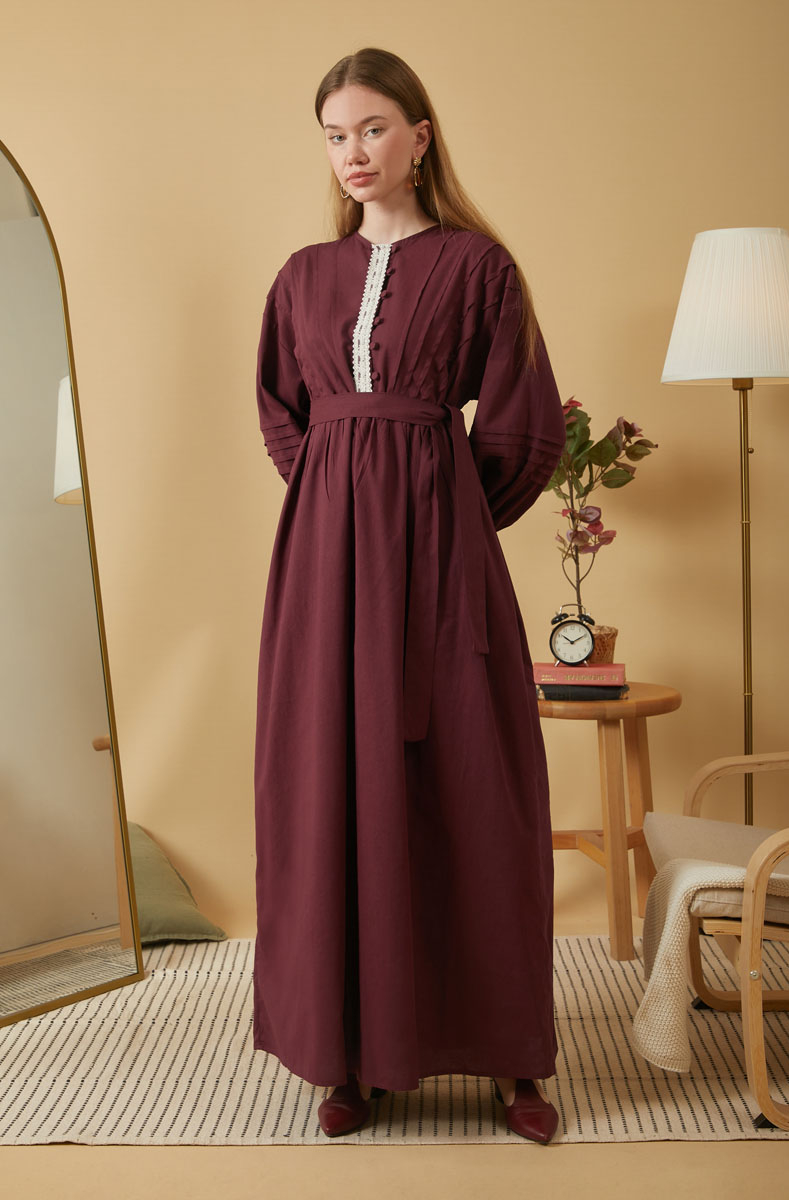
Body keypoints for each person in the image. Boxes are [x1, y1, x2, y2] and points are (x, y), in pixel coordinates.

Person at [252, 47, 567, 1144]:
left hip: (442, 560)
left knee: (474, 787)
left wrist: (443, 515)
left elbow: (525, 424)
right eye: (335, 135)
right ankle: (348, 1052)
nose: (353, 152)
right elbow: (281, 411)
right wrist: (336, 505)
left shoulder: (480, 267)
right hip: (323, 568)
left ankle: (514, 1059)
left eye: (373, 129)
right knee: (329, 784)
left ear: (420, 138)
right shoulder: (302, 275)